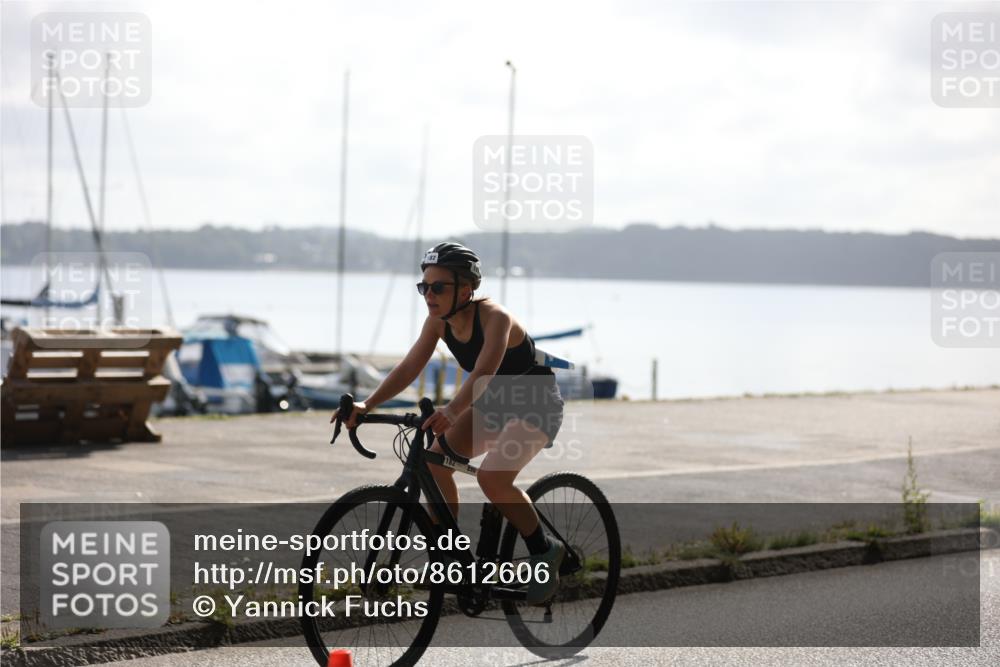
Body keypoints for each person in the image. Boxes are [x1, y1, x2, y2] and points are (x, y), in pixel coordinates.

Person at [331, 241, 566, 603]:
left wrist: (453, 410)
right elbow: (410, 366)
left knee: (492, 478)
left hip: (534, 403)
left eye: (438, 286)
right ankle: (450, 556)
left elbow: (485, 371)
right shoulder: (437, 322)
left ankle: (544, 550)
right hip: (491, 404)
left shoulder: (495, 318)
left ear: (467, 288)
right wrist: (366, 403)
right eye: (424, 286)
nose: (429, 294)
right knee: (435, 463)